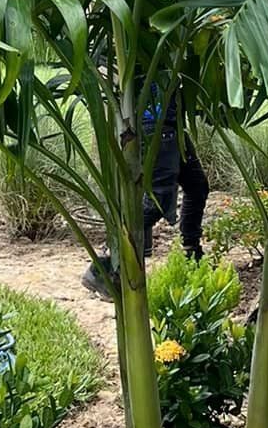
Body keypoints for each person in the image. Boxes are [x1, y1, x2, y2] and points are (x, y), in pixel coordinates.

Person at [82, 91, 210, 298]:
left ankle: (191, 251)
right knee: (156, 202)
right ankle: (105, 263)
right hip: (156, 129)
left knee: (197, 186)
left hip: (171, 128)